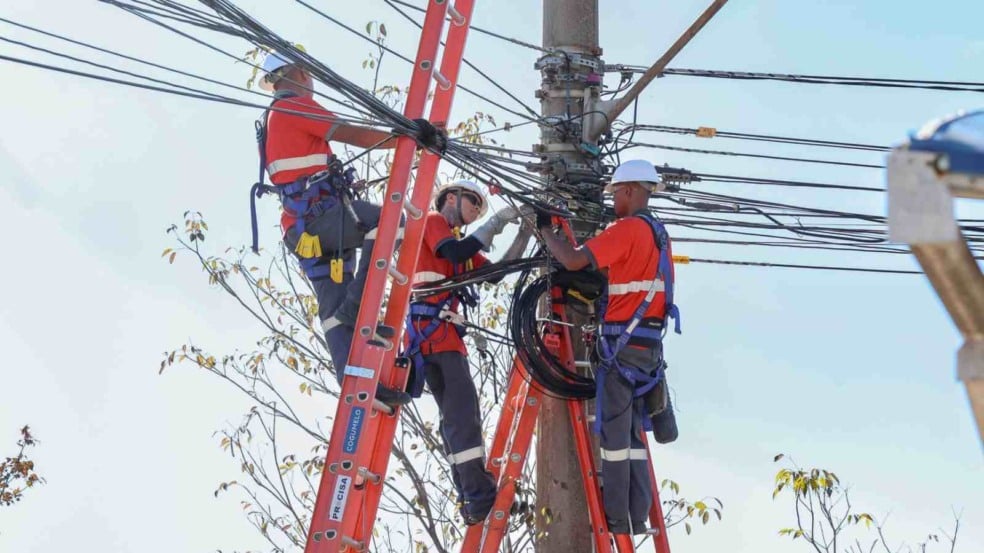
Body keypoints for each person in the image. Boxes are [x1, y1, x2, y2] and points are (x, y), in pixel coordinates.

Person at [254, 51, 443, 406]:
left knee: (333, 312)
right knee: (389, 224)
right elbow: (351, 134)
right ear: (296, 73)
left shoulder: (273, 118)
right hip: (321, 220)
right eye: (308, 75)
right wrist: (407, 138)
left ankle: (358, 386)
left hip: (304, 230)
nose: (311, 83)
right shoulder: (294, 105)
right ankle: (356, 306)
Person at [535, 159, 681, 536]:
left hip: (621, 344)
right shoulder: (659, 235)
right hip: (648, 349)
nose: (613, 200)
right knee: (632, 438)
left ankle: (615, 519)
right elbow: (615, 275)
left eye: (615, 192)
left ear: (630, 190)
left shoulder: (628, 228)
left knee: (614, 438)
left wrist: (546, 230)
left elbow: (572, 258)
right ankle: (635, 515)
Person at [405, 179, 533, 525]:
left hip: (435, 338)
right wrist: (497, 222)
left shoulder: (456, 243)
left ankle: (471, 493)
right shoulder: (433, 223)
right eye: (473, 204)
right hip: (437, 338)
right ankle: (478, 495)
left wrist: (525, 233)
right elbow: (455, 254)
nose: (476, 212)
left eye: (480, 208)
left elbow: (493, 274)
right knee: (464, 418)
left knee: (456, 421)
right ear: (450, 198)